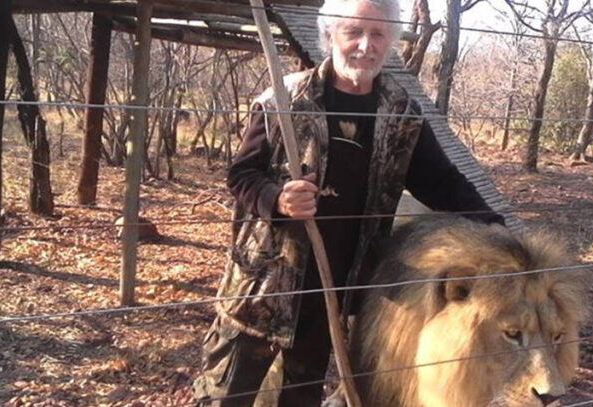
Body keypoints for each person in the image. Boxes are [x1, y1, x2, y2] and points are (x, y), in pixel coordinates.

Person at [193, 0, 505, 405]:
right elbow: (241, 176)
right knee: (225, 394)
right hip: (264, 284)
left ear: (390, 41)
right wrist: (278, 199)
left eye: (377, 34)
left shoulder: (401, 113)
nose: (365, 45)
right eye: (353, 32)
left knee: (299, 396)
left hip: (334, 289)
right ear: (330, 37)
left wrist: (492, 224)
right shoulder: (284, 99)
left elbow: (441, 181)